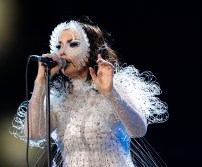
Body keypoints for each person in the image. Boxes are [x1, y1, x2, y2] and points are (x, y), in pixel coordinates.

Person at [10, 16, 169, 167]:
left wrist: (111, 93)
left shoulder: (116, 86)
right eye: (59, 46)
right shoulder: (59, 99)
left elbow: (138, 130)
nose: (62, 52)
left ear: (91, 50)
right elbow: (33, 134)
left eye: (72, 44)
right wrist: (40, 85)